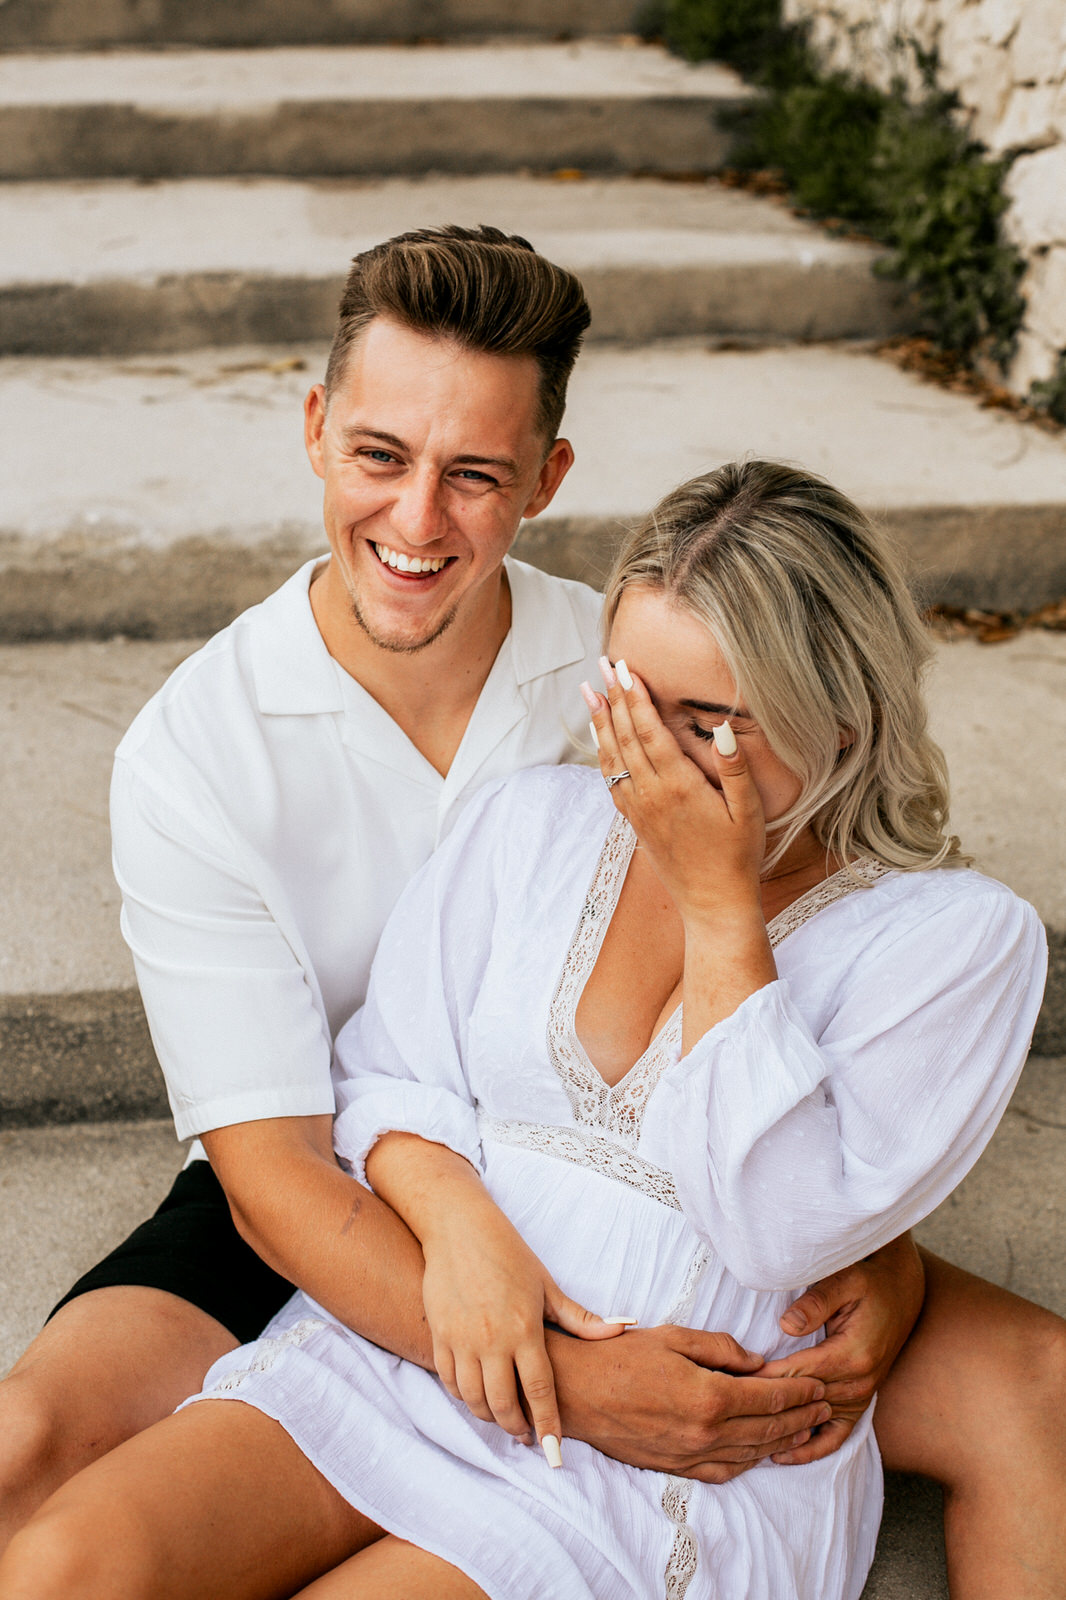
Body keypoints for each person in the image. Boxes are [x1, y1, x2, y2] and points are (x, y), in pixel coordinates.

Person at [0, 229, 1062, 1599]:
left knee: (1027, 1380)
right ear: (316, 433)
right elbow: (292, 1157)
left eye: (476, 474)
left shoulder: (615, 650)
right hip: (331, 1190)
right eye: (381, 456)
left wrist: (885, 1252)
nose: (419, 521)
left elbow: (802, 1190)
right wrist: (509, 1307)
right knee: (44, 1493)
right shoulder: (200, 751)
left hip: (692, 1280)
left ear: (547, 481)